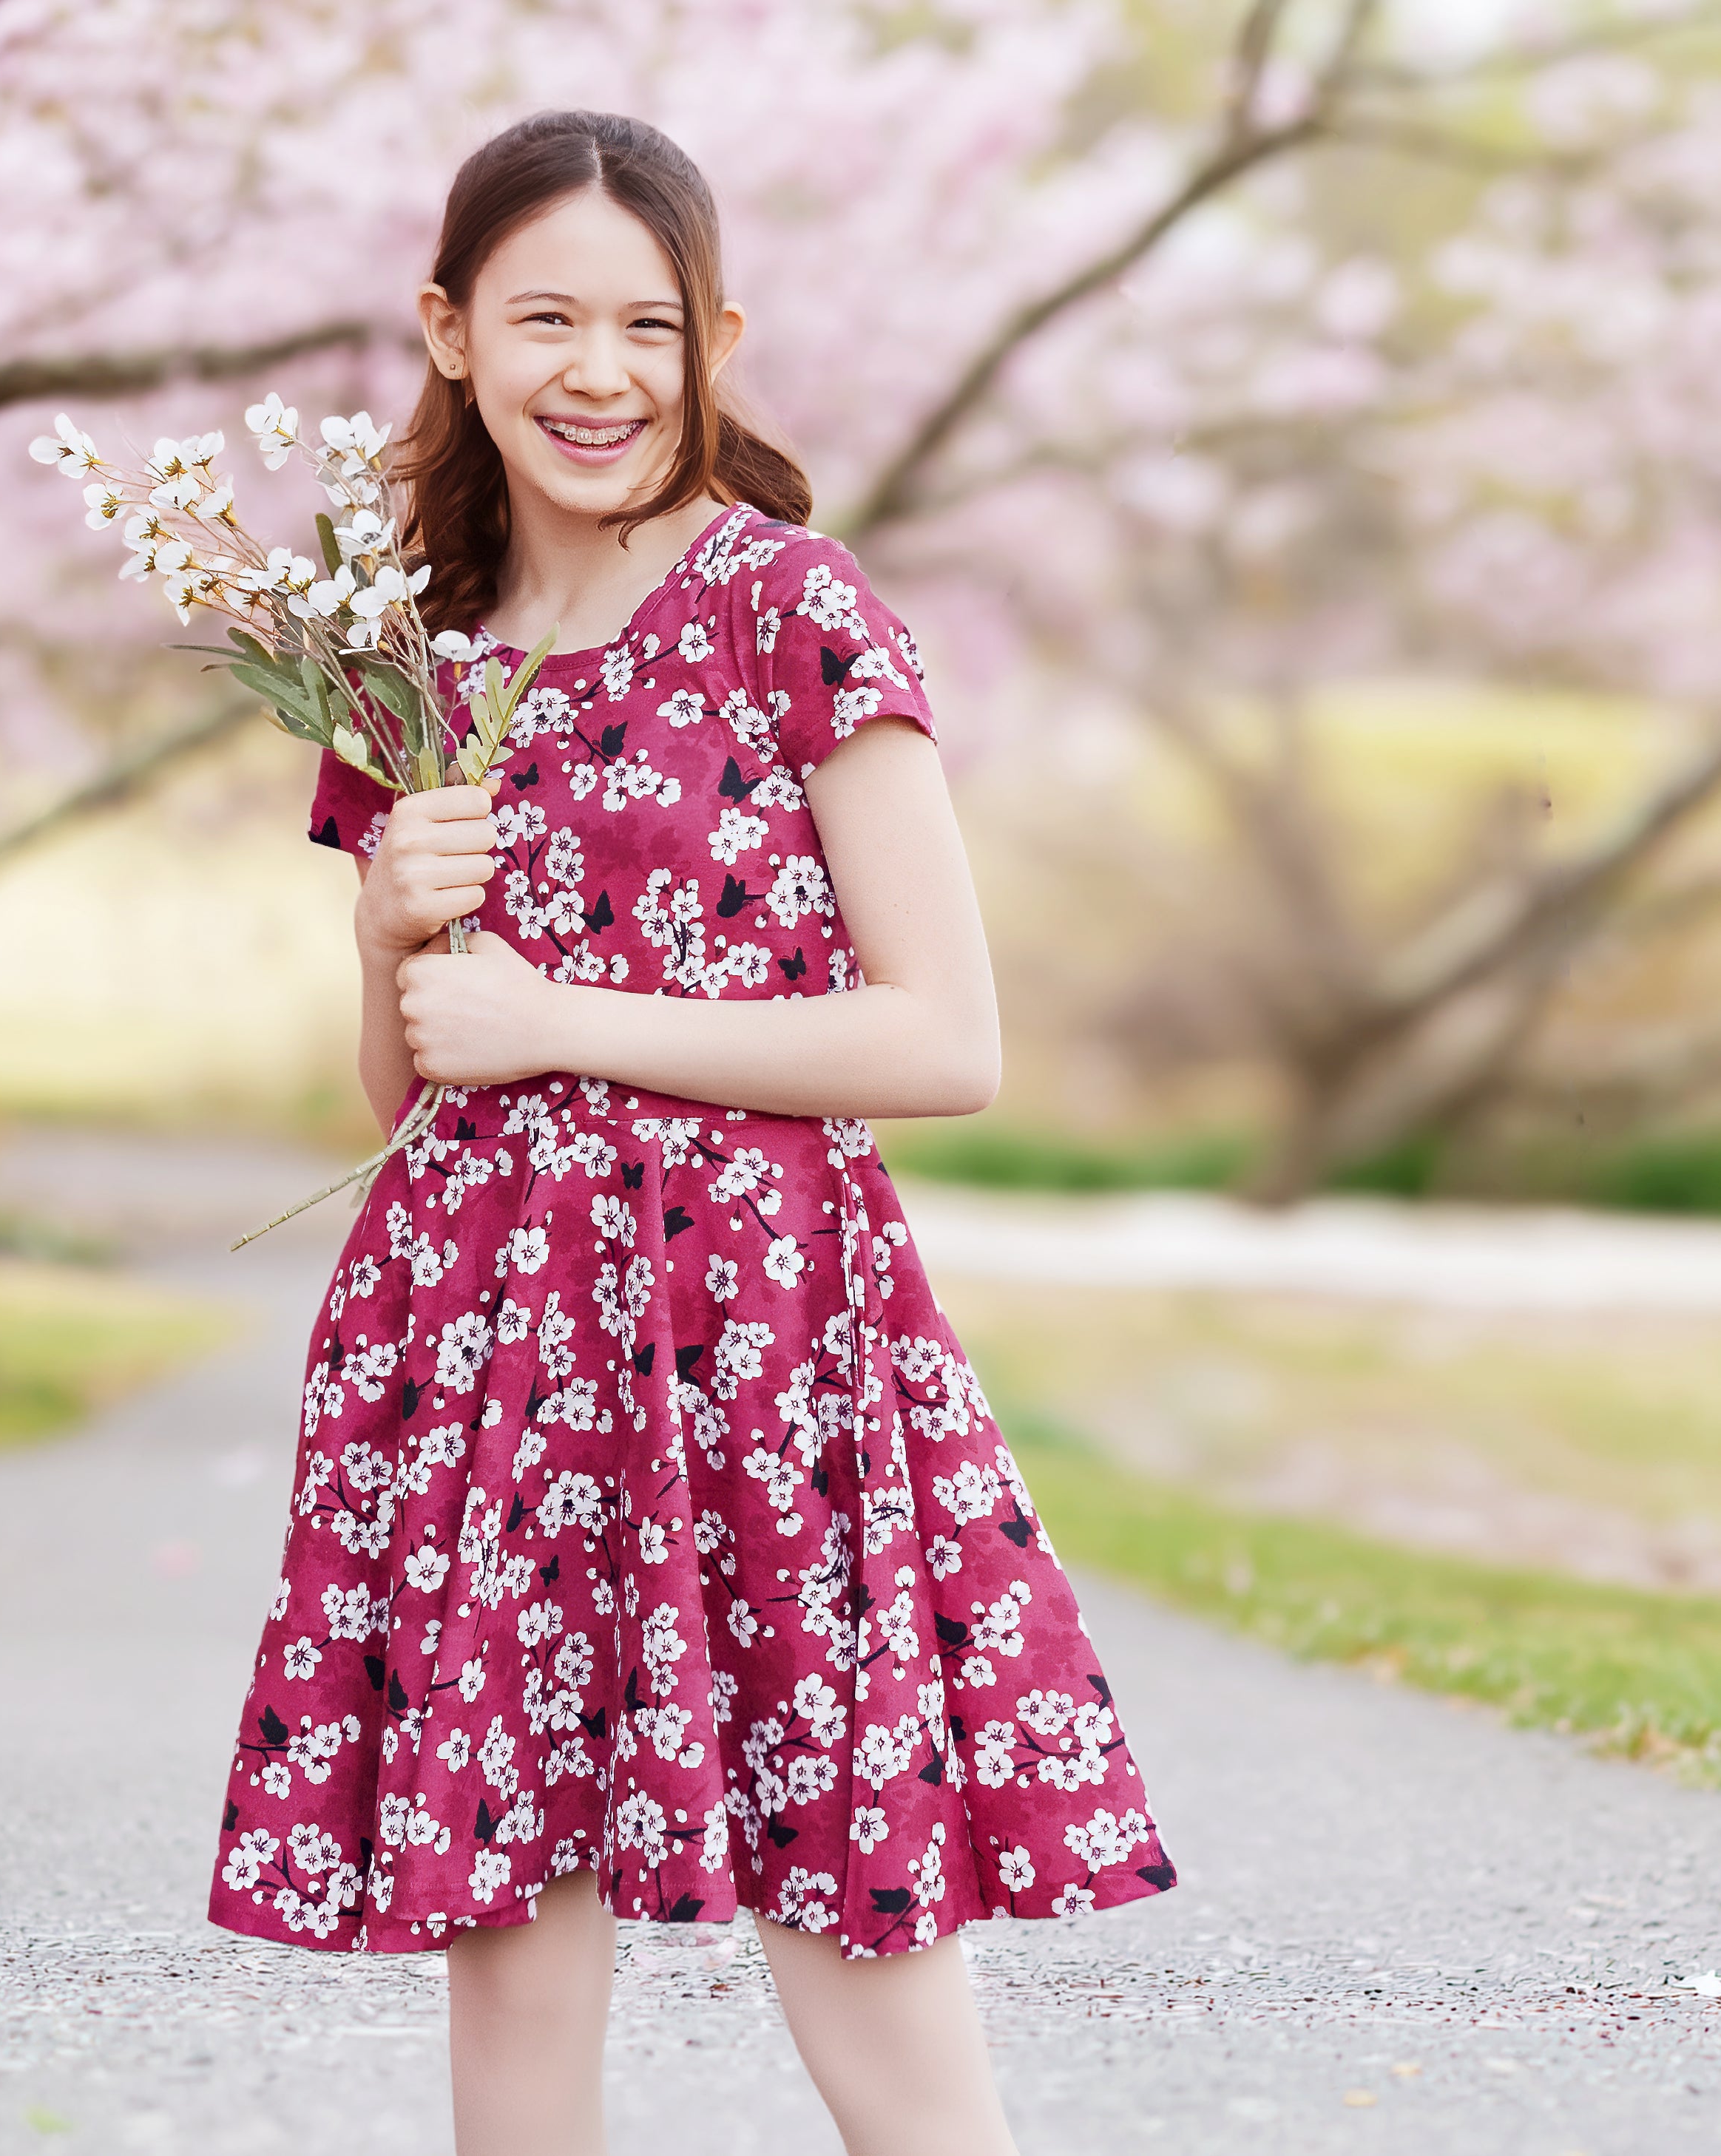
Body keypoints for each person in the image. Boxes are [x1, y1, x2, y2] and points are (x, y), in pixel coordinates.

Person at [209, 108, 1176, 2156]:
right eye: (543, 315)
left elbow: (945, 1036)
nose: (598, 370)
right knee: (506, 1898)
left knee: (851, 1852)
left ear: (713, 335)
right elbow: (408, 1092)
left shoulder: (785, 608)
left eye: (645, 325)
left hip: (753, 1324)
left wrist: (563, 1013)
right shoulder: (400, 653)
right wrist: (387, 925)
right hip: (473, 1331)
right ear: (447, 328)